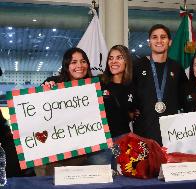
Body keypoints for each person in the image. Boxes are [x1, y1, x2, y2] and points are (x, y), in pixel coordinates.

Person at [38, 47, 93, 175]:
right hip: (55, 153)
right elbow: (37, 112)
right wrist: (43, 91)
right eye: (74, 62)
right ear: (66, 65)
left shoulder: (93, 87)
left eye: (83, 61)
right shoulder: (54, 83)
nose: (79, 65)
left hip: (81, 153)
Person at [132, 24, 188, 146]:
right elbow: (129, 94)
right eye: (154, 37)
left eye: (163, 37)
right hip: (143, 132)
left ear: (170, 42)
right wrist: (130, 110)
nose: (159, 40)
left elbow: (186, 98)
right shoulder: (137, 66)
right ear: (149, 42)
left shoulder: (177, 68)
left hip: (171, 134)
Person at [87, 45, 135, 169]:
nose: (113, 61)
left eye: (119, 58)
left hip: (123, 141)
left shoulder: (133, 86)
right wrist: (51, 82)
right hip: (100, 144)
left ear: (127, 61)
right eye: (111, 58)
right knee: (100, 181)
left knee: (122, 180)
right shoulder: (98, 82)